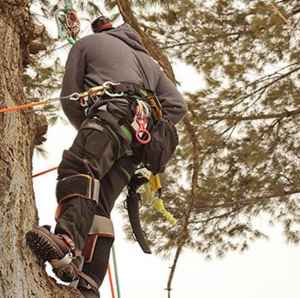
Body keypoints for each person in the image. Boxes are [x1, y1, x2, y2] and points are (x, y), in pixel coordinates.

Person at [26, 16, 186, 298]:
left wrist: (89, 129)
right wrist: (149, 126)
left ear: (99, 29)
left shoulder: (87, 44)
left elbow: (69, 96)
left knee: (79, 168)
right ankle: (88, 283)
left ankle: (66, 242)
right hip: (138, 142)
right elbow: (177, 106)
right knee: (99, 205)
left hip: (110, 113)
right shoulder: (149, 63)